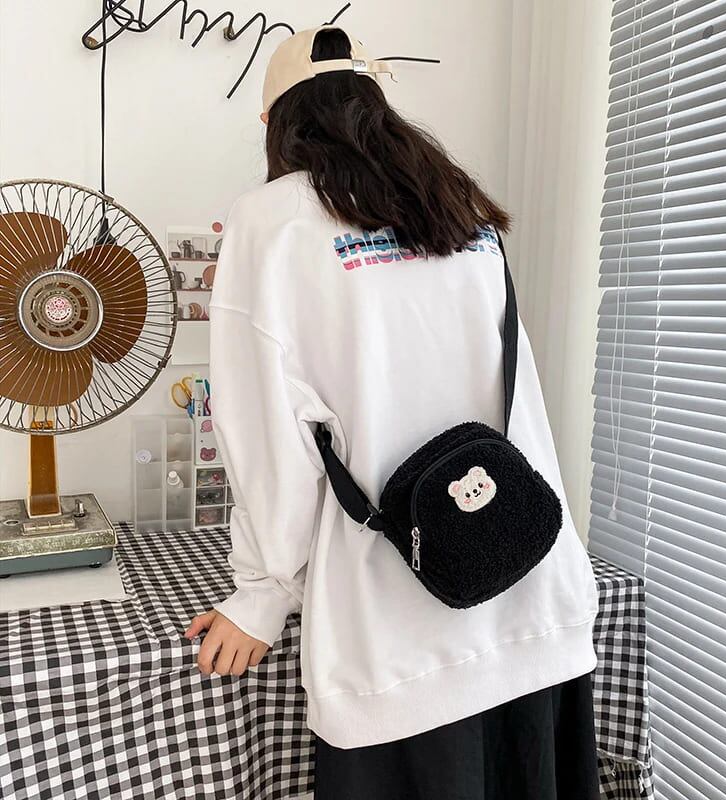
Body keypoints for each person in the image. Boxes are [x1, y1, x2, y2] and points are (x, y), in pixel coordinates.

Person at [184, 24, 601, 800]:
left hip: (399, 640)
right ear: (376, 104)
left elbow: (267, 435)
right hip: (535, 591)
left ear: (273, 123)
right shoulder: (458, 203)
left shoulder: (269, 220)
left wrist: (263, 595)